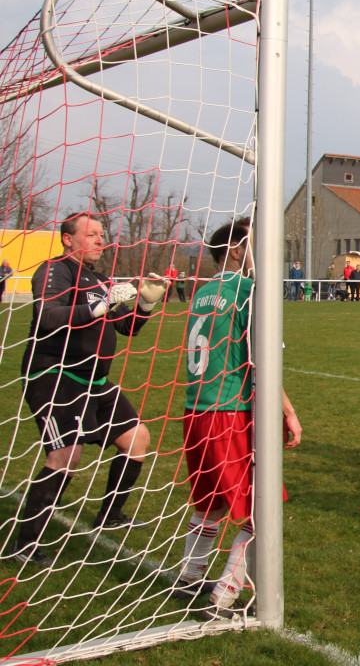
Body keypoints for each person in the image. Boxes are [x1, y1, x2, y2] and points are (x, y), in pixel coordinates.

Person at [5, 213, 165, 567]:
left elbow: (126, 327)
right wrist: (99, 304)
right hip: (54, 376)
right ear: (68, 239)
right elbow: (49, 316)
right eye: (91, 234)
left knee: (137, 438)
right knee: (66, 456)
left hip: (95, 381)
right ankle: (24, 544)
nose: (99, 241)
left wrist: (145, 303)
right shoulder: (54, 271)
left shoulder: (100, 279)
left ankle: (110, 515)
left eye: (101, 235)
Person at [176, 217, 302, 618]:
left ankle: (189, 576)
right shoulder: (249, 292)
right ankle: (225, 595)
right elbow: (262, 362)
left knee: (209, 503)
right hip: (229, 413)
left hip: (195, 409)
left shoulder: (203, 292)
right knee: (263, 507)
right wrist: (288, 410)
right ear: (236, 249)